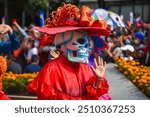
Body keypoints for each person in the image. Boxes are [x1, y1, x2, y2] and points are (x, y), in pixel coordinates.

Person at [27, 3, 111, 100]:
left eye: (88, 41)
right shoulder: (52, 69)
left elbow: (91, 98)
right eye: (81, 41)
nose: (86, 47)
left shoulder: (86, 68)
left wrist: (98, 80)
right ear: (63, 41)